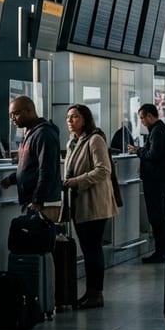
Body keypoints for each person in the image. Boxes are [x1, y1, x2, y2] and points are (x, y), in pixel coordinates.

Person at [61, 104, 117, 309]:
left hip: (94, 203)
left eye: (74, 117)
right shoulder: (73, 142)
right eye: (68, 117)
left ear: (84, 119)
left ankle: (96, 294)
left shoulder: (95, 139)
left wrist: (78, 181)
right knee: (87, 249)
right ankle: (91, 292)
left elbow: (103, 170)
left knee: (92, 249)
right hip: (79, 203)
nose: (70, 120)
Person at [0, 96, 62, 222]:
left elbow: (46, 170)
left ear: (29, 110)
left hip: (43, 204)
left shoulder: (44, 134)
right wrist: (12, 179)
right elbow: (30, 167)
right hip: (32, 201)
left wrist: (37, 200)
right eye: (11, 115)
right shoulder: (29, 133)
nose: (13, 119)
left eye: (16, 114)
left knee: (39, 241)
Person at [129, 103, 165, 263]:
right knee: (159, 215)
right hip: (159, 179)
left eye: (142, 117)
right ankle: (162, 250)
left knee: (157, 216)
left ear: (150, 116)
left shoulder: (158, 132)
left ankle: (162, 251)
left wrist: (138, 151)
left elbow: (154, 154)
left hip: (156, 180)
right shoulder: (160, 130)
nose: (141, 121)